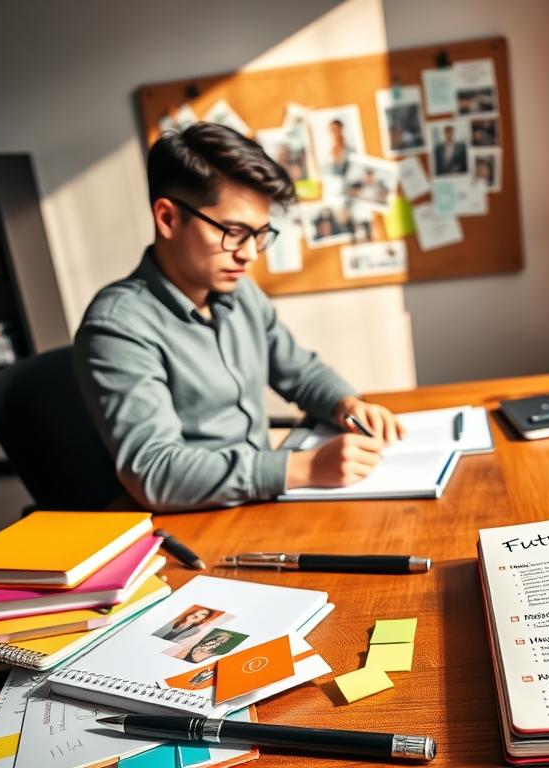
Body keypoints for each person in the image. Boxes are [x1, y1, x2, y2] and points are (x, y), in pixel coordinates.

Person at [74, 123, 404, 512]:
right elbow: (154, 471)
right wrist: (303, 467)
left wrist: (345, 404)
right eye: (233, 232)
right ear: (167, 218)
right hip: (195, 525)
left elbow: (299, 371)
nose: (249, 254)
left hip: (261, 505)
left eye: (260, 234)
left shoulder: (239, 292)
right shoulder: (117, 328)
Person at [154, 606, 219, 642]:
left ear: (205, 618)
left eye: (203, 614)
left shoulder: (196, 630)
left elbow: (178, 641)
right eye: (197, 612)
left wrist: (188, 623)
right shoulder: (174, 620)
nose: (197, 614)